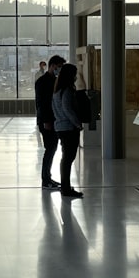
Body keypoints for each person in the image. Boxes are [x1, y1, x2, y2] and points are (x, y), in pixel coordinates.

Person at [51, 61, 83, 198]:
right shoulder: (68, 90)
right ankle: (66, 188)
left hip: (60, 127)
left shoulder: (57, 90)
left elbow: (57, 109)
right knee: (68, 158)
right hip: (68, 128)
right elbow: (68, 109)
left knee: (66, 158)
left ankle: (65, 186)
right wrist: (77, 123)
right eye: (75, 74)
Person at [35, 55, 65, 190]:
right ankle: (45, 179)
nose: (60, 70)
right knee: (50, 149)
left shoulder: (56, 80)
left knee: (52, 148)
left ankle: (48, 177)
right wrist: (46, 120)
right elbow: (42, 104)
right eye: (59, 67)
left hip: (55, 120)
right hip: (47, 121)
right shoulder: (42, 82)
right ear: (53, 66)